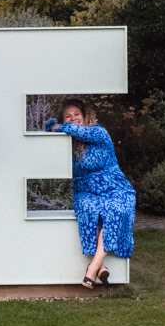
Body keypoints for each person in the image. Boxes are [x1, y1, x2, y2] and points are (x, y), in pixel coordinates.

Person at [44, 98, 135, 288]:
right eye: (68, 116)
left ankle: (93, 268)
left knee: (116, 210)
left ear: (85, 116)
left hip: (114, 187)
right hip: (85, 190)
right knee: (87, 210)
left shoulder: (98, 132)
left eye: (77, 114)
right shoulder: (66, 141)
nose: (73, 118)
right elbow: (47, 130)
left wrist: (60, 126)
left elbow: (76, 130)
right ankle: (100, 266)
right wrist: (54, 126)